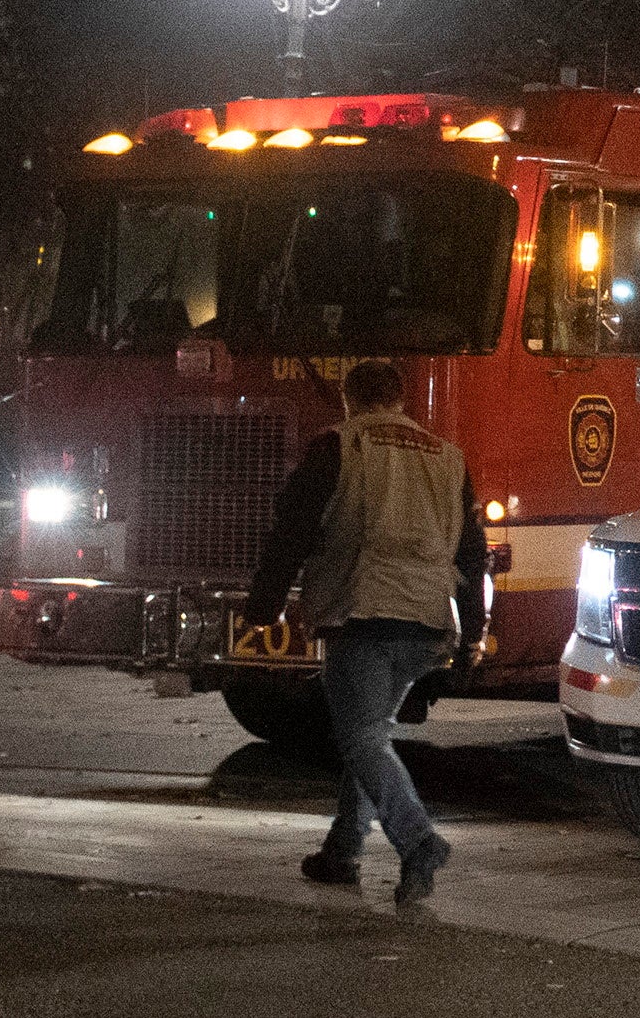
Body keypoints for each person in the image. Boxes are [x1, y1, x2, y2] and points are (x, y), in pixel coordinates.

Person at [243, 359, 489, 905]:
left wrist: (263, 607)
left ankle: (419, 841)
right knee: (371, 738)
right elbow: (472, 555)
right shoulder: (449, 458)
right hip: (426, 622)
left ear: (348, 399)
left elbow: (293, 530)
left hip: (363, 612)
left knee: (361, 740)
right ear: (401, 400)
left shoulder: (339, 447)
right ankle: (342, 851)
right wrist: (473, 634)